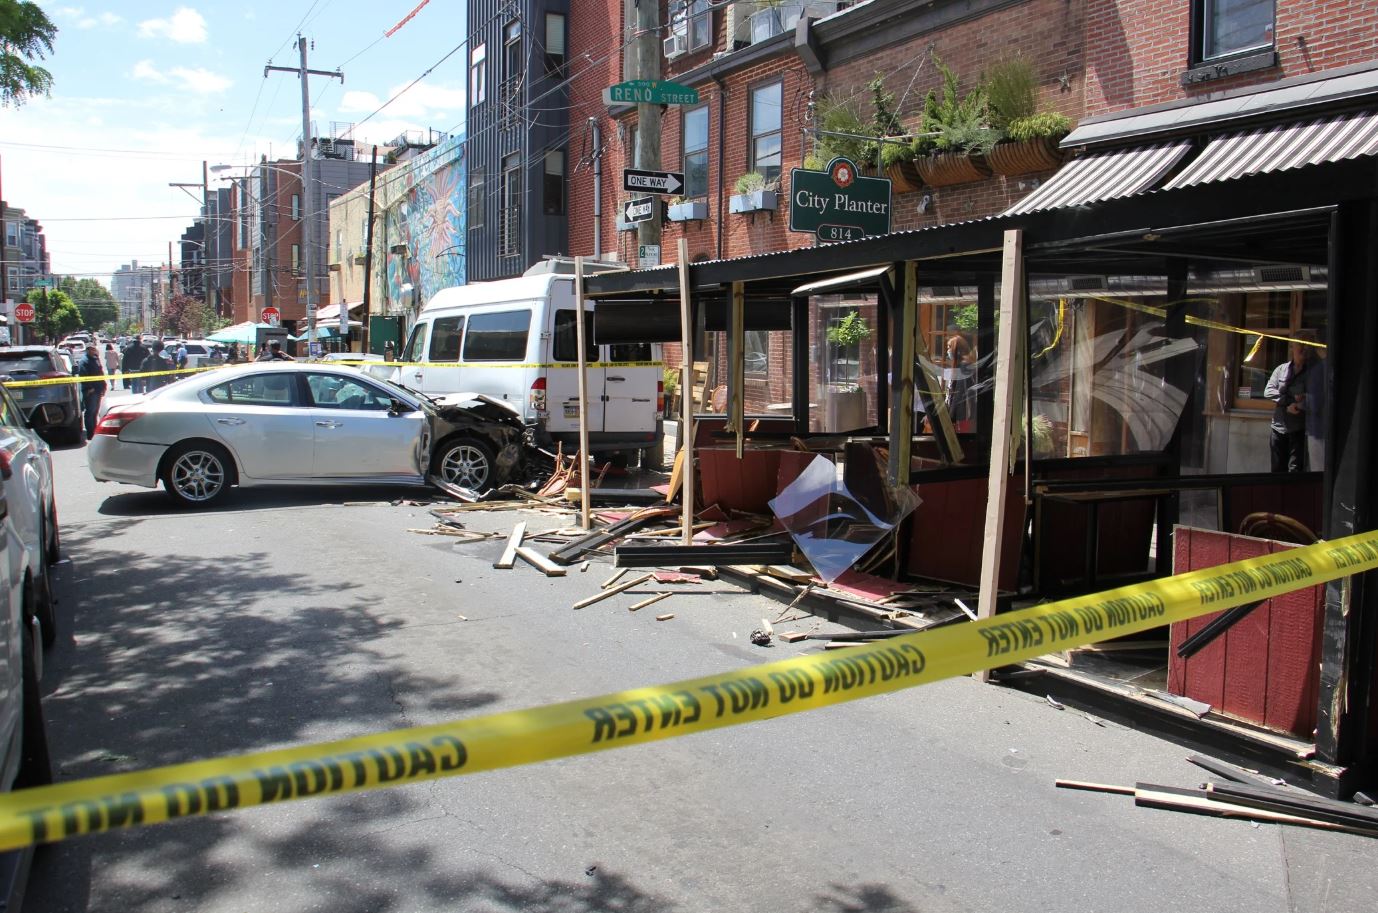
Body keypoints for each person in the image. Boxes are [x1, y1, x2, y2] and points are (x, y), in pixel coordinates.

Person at [1264, 334, 1320, 473]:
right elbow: (1268, 391)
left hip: (1299, 429)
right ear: (1292, 347)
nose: (1304, 348)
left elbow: (1318, 398)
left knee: (1295, 470)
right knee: (1277, 469)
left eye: (1307, 345)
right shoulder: (1281, 369)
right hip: (1278, 428)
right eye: (1300, 344)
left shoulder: (1313, 372)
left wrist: (1301, 402)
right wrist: (1289, 401)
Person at [77, 344, 106, 441]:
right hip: (91, 391)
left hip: (97, 389)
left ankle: (95, 432)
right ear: (88, 350)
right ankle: (91, 434)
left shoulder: (95, 359)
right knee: (90, 412)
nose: (95, 351)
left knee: (95, 412)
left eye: (95, 349)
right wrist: (90, 388)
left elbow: (100, 373)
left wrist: (103, 386)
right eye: (93, 349)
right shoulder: (84, 361)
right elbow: (83, 375)